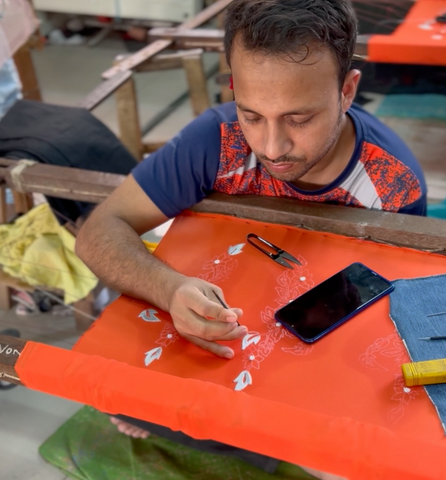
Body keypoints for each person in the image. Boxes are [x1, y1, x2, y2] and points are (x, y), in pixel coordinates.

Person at [76, 0, 426, 478]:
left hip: (322, 341)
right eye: (252, 114)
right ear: (235, 88)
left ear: (347, 90)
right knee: (135, 401)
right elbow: (101, 230)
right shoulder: (215, 141)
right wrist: (169, 288)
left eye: (299, 119)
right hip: (225, 332)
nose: (270, 147)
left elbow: (395, 311)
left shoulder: (393, 186)